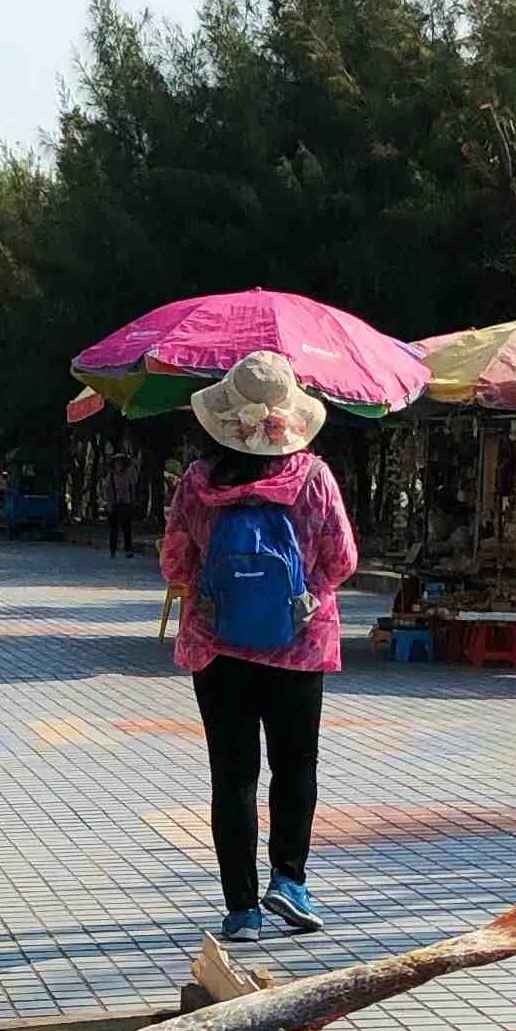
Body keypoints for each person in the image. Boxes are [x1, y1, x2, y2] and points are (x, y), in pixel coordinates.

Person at [157, 349, 357, 941]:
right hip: (299, 644)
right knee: (295, 766)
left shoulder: (197, 482)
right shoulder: (313, 478)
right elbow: (343, 561)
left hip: (217, 646)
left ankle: (241, 909)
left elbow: (174, 561)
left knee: (233, 775)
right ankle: (289, 882)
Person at [103, 434, 145, 558]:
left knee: (127, 529)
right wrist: (109, 505)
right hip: (114, 505)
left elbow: (134, 484)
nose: (119, 465)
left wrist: (133, 502)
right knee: (114, 530)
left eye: (121, 463)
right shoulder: (110, 477)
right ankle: (112, 551)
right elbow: (107, 491)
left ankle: (128, 549)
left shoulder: (129, 476)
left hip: (126, 504)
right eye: (117, 463)